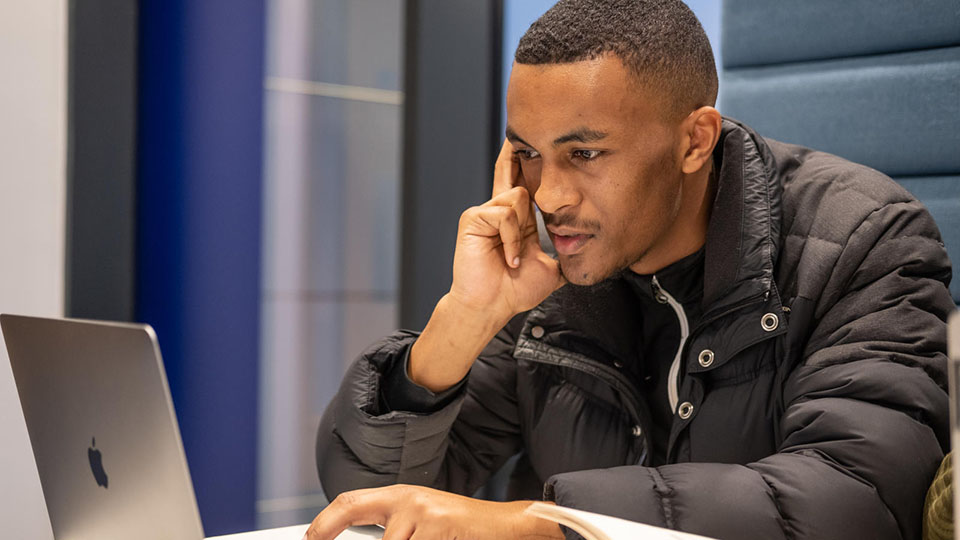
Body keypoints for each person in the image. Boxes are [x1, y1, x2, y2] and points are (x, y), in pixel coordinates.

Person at [306, 1, 955, 538]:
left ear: (695, 140)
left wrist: (543, 525)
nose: (549, 196)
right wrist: (463, 318)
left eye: (584, 153)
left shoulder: (865, 241)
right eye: (528, 153)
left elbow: (853, 500)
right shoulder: (552, 273)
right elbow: (364, 502)